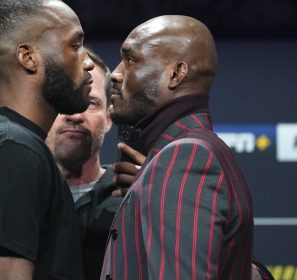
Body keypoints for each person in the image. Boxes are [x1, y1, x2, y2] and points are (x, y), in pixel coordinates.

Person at [0, 0, 94, 279]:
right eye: (75, 45)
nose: (87, 62)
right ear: (28, 57)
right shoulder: (12, 147)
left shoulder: (2, 138)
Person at [100, 15, 254, 279]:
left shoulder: (185, 157)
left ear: (175, 74)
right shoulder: (183, 154)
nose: (115, 74)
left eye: (131, 59)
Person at [46, 47, 122, 280]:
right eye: (64, 100)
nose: (75, 114)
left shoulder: (129, 198)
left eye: (89, 103)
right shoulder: (17, 198)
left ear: (109, 118)